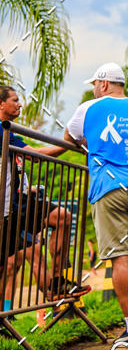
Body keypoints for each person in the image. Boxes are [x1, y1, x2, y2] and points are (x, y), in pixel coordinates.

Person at [65, 62, 128, 347]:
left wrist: (93, 144)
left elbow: (68, 138)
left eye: (95, 85)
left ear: (104, 83)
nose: (94, 90)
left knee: (120, 258)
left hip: (108, 186)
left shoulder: (88, 109)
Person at [0, 86, 86, 306]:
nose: (20, 104)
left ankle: (57, 283)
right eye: (15, 100)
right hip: (5, 211)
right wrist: (67, 145)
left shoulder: (8, 130)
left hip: (18, 204)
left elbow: (31, 158)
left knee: (62, 217)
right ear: (1, 104)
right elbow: (36, 155)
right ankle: (3, 319)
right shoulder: (1, 131)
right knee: (6, 267)